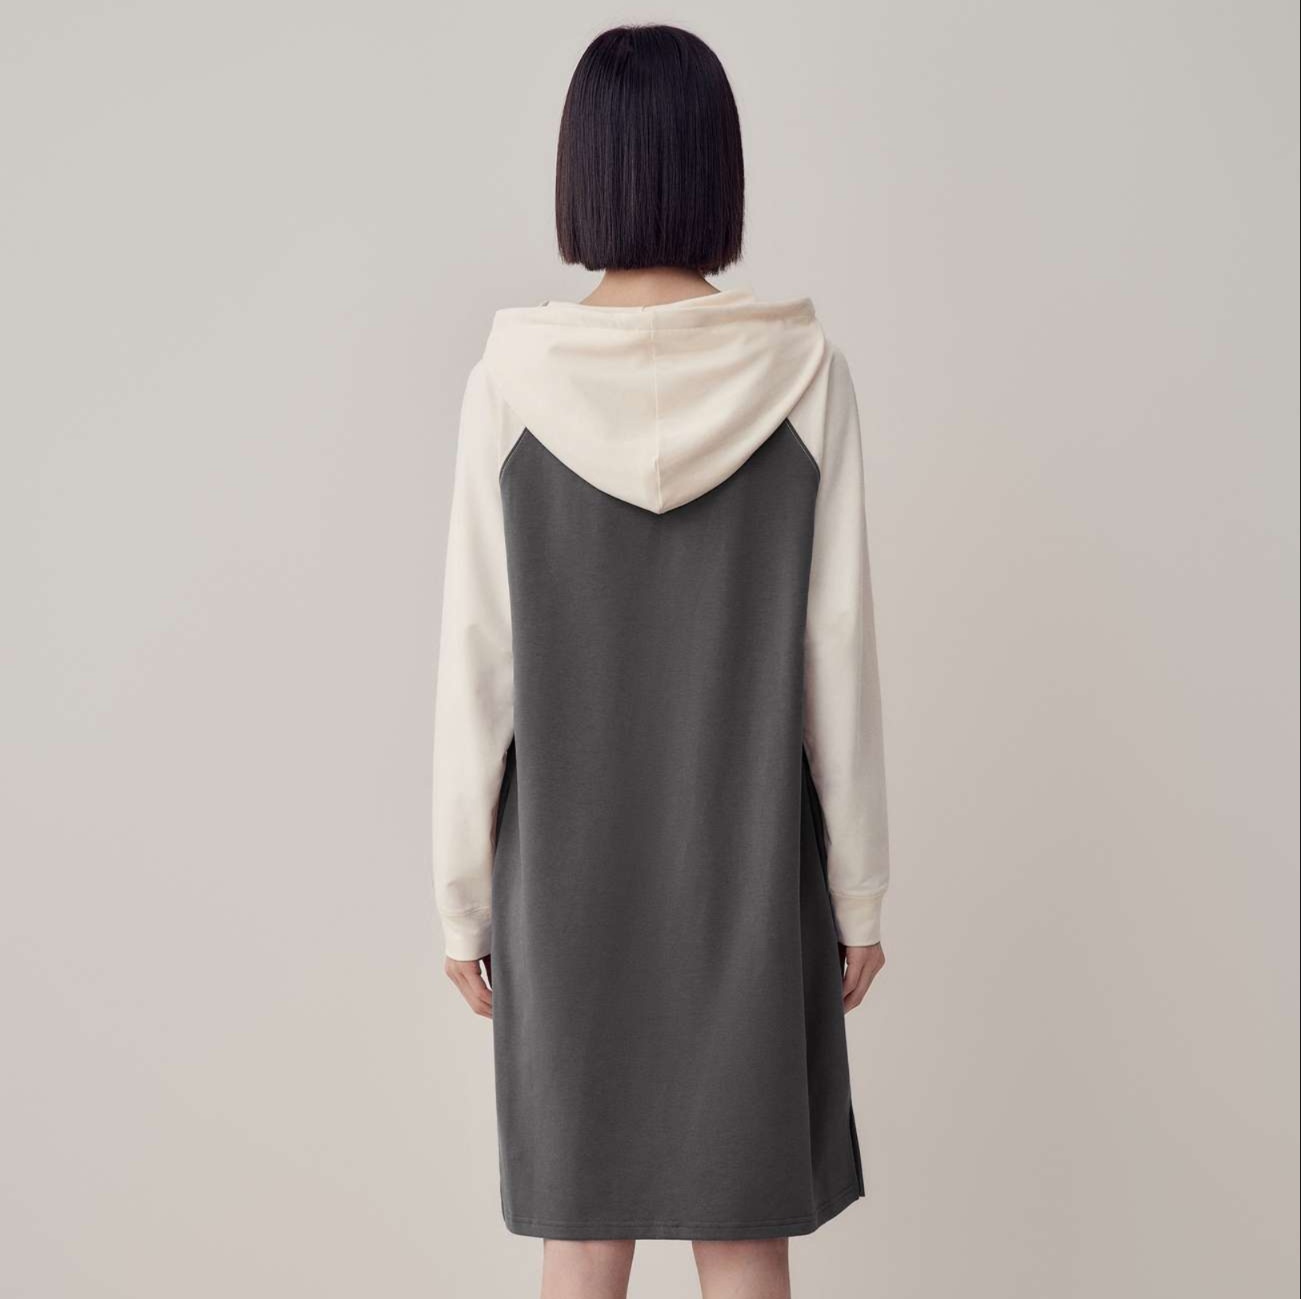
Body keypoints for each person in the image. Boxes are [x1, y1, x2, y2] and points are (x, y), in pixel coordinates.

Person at [432, 24, 889, 1299]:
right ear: (715, 171)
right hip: (747, 878)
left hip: (562, 887)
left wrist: (461, 899)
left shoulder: (509, 384)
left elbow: (477, 660)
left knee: (581, 1237)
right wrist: (857, 889)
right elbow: (834, 649)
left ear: (581, 173)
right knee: (741, 1234)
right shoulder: (802, 374)